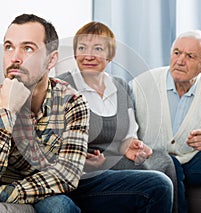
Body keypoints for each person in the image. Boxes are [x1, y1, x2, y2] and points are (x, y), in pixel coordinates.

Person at [0, 14, 173, 213]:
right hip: (29, 186)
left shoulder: (73, 101)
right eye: (9, 47)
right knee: (59, 206)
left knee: (159, 184)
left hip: (72, 181)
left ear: (51, 59)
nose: (15, 58)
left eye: (28, 48)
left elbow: (67, 176)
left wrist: (3, 194)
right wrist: (6, 111)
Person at [57, 21, 176, 212]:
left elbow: (128, 135)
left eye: (97, 48)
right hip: (86, 166)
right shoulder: (63, 85)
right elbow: (54, 138)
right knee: (148, 175)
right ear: (75, 53)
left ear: (110, 55)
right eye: (82, 48)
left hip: (117, 156)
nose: (88, 55)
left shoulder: (121, 86)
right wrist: (81, 158)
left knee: (165, 160)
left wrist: (132, 146)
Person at [130, 29, 201, 213]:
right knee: (170, 164)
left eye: (190, 56)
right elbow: (125, 128)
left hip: (191, 161)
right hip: (153, 159)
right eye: (177, 53)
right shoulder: (143, 84)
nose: (180, 61)